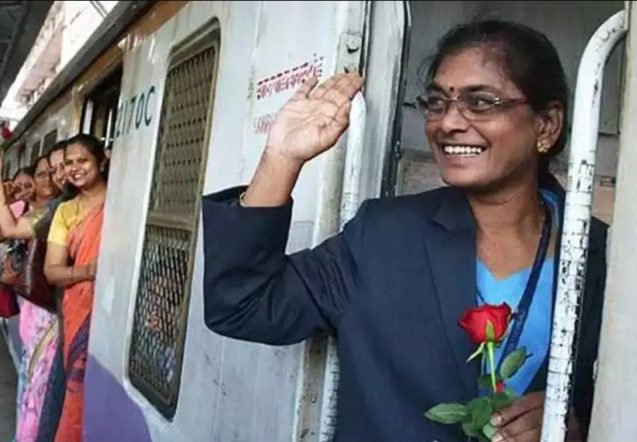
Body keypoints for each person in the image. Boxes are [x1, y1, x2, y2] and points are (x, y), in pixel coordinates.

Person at [200, 20, 605, 442]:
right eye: (436, 102)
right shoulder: (383, 237)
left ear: (547, 125)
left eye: (480, 102)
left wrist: (579, 426)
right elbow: (242, 306)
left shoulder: (607, 260)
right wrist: (282, 158)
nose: (448, 122)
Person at [44, 134, 108, 442]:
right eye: (69, 163)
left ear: (102, 160)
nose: (74, 168)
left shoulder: (125, 199)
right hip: (80, 310)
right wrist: (86, 271)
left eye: (82, 160)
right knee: (77, 393)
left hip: (117, 307)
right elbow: (52, 271)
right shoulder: (65, 212)